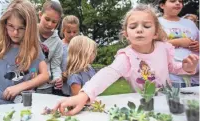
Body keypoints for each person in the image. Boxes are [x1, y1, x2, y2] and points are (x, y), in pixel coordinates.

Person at [53, 4, 199, 116]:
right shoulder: (126, 56)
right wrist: (84, 95)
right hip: (142, 104)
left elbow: (172, 67)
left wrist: (185, 67)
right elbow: (107, 73)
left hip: (166, 101)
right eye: (133, 26)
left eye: (146, 26)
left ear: (155, 33)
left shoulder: (163, 48)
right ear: (126, 34)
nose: (139, 30)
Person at [0, 0, 49, 105]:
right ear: (4, 24)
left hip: (26, 105)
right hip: (0, 104)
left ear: (30, 29)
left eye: (21, 28)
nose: (15, 32)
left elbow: (45, 75)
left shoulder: (34, 48)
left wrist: (20, 87)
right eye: (11, 26)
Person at [158, 0, 199, 87]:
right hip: (170, 78)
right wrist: (178, 42)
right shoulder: (156, 23)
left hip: (195, 78)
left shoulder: (190, 23)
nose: (178, 3)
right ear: (162, 5)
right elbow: (149, 46)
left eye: (180, 1)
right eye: (173, 1)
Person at [36, 0, 64, 94]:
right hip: (25, 83)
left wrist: (57, 78)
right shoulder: (29, 32)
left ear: (58, 22)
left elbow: (55, 65)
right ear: (40, 15)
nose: (49, 24)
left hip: (45, 87)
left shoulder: (58, 42)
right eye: (47, 19)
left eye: (54, 22)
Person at [53, 15, 80, 96]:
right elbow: (54, 65)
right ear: (63, 31)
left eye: (74, 32)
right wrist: (61, 76)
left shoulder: (80, 46)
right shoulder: (59, 45)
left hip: (77, 86)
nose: (72, 34)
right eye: (69, 32)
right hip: (62, 88)